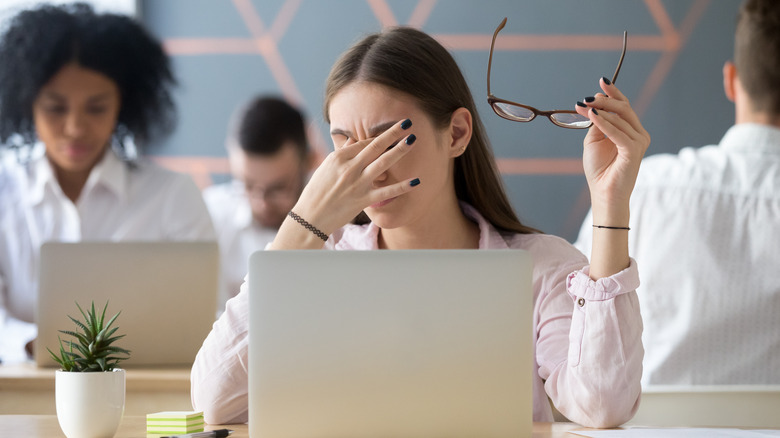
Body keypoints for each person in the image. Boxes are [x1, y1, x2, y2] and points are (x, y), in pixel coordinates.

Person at [191, 25, 650, 428]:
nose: (370, 170)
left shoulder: (540, 270)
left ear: (456, 134)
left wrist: (610, 203)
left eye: (391, 141)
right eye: (346, 143)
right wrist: (303, 225)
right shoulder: (315, 268)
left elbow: (602, 404)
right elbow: (215, 400)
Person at [575, 0, 780, 386]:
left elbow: (576, 327)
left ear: (731, 80)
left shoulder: (641, 188)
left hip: (644, 417)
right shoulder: (640, 187)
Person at [0, 3, 215, 364]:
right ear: (27, 104)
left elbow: (206, 319)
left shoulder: (172, 196)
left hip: (147, 389)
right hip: (21, 389)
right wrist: (35, 343)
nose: (75, 128)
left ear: (123, 105)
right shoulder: (4, 194)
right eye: (55, 108)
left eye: (96, 108)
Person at [203, 96, 311, 312]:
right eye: (247, 185)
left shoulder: (345, 223)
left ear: (308, 162)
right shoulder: (210, 214)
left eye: (278, 188)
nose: (262, 203)